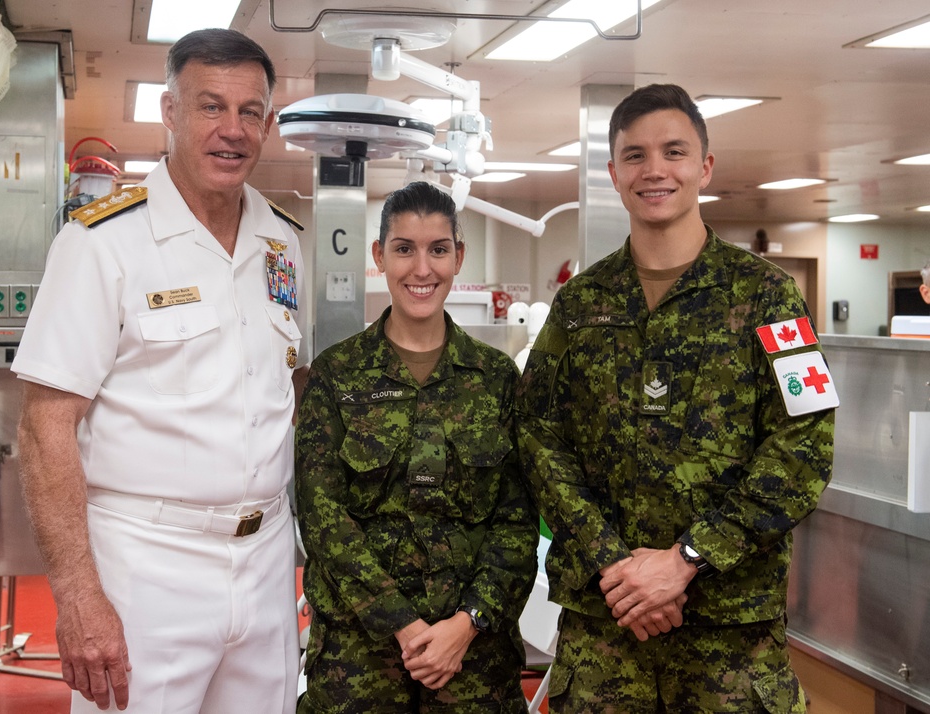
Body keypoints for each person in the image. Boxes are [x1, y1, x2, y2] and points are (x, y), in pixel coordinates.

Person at [12, 28, 309, 713]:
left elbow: (282, 391)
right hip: (146, 567)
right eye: (210, 107)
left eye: (250, 112)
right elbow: (44, 428)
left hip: (265, 562)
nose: (231, 130)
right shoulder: (101, 244)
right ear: (170, 112)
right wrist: (79, 595)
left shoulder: (283, 239)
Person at [516, 84, 838, 712]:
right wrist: (617, 566)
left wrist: (688, 559)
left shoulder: (767, 297)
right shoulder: (581, 305)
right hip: (605, 628)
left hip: (728, 632)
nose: (654, 170)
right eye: (634, 156)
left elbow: (807, 442)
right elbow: (536, 435)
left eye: (674, 151)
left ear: (705, 167)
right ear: (613, 173)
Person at [295, 181, 538, 712]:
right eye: (404, 249)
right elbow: (321, 516)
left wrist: (468, 622)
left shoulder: (496, 378)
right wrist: (401, 624)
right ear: (379, 256)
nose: (421, 269)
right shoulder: (337, 376)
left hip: (473, 659)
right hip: (361, 658)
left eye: (438, 249)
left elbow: (517, 519)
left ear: (459, 257)